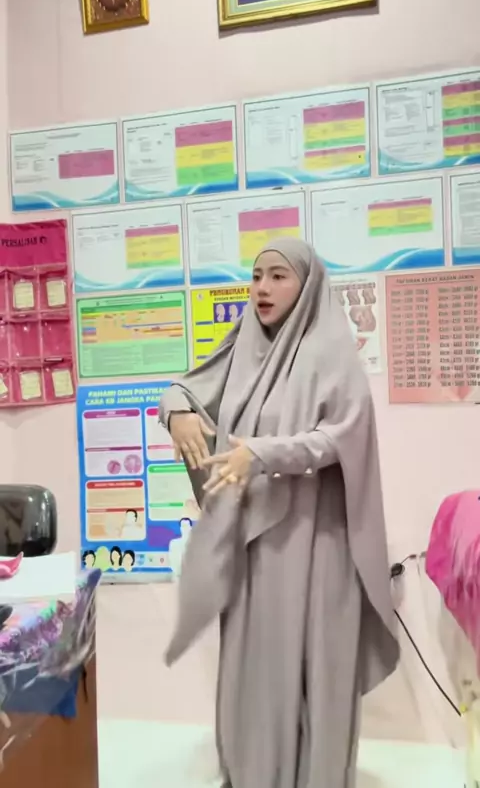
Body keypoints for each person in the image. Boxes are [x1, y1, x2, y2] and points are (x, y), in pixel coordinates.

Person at [158, 238, 399, 788]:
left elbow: (342, 436)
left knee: (316, 669)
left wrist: (263, 453)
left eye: (278, 276)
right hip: (253, 548)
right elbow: (184, 389)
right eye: (256, 276)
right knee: (253, 669)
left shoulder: (330, 352)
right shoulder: (245, 345)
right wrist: (176, 412)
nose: (263, 288)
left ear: (307, 285)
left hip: (317, 545)